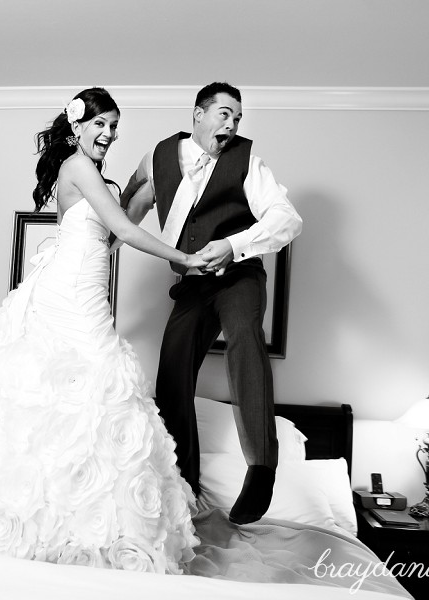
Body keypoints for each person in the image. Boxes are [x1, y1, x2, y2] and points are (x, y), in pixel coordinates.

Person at [0, 88, 204, 573]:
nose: (108, 134)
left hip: (88, 294)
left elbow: (119, 226)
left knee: (97, 397)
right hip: (66, 295)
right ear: (77, 127)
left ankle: (79, 522)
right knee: (63, 394)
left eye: (114, 126)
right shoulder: (76, 166)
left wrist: (149, 174)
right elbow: (121, 228)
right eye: (100, 124)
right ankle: (27, 522)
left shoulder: (95, 177)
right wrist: (182, 258)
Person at [120, 82, 302, 525]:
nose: (232, 124)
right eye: (224, 114)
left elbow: (287, 220)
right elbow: (130, 207)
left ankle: (261, 468)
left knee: (243, 335)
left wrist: (234, 244)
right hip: (193, 284)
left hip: (238, 275)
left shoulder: (248, 163)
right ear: (198, 115)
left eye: (237, 118)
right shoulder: (159, 156)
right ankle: (185, 484)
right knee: (172, 372)